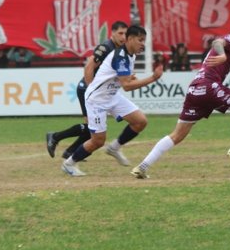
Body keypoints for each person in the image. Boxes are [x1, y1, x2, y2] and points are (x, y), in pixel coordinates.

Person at [130, 16, 230, 179]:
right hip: (209, 86)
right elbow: (217, 42)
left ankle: (142, 167)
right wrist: (222, 55)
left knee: (177, 135)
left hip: (195, 90)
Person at [62, 26, 164, 177]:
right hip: (97, 100)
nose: (143, 44)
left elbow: (125, 79)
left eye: (144, 41)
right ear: (130, 39)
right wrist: (153, 78)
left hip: (111, 95)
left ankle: (114, 148)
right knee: (97, 141)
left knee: (140, 121)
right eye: (140, 40)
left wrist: (129, 77)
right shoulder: (120, 56)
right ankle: (69, 164)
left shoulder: (131, 55)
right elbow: (127, 86)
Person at [47, 22, 128, 160]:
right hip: (87, 89)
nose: (123, 37)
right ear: (112, 33)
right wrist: (91, 88)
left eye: (125, 34)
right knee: (93, 128)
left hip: (97, 91)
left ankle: (69, 151)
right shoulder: (105, 48)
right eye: (120, 33)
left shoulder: (120, 50)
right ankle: (56, 138)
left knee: (92, 128)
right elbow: (89, 66)